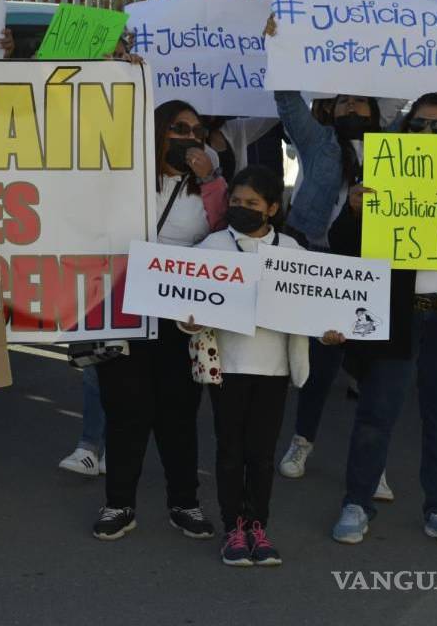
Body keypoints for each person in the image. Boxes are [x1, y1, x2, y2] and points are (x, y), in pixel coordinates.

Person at [327, 92, 437, 549]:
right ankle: (357, 502)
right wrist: (353, 211)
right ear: (406, 130)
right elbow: (342, 243)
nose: (428, 133)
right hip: (396, 315)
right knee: (375, 414)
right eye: (420, 124)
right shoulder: (381, 176)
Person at [189, 165, 337, 566]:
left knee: (261, 453)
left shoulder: (293, 253)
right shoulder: (212, 248)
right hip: (228, 369)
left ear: (272, 207)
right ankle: (233, 527)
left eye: (251, 203)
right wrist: (189, 319)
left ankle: (258, 525)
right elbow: (185, 303)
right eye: (235, 201)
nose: (242, 208)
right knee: (230, 450)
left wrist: (329, 330)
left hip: (273, 370)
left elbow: (318, 304)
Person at [91, 100, 226, 542]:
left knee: (178, 414)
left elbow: (226, 238)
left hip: (178, 316)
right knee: (125, 410)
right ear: (158, 131)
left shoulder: (210, 185)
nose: (189, 137)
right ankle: (119, 504)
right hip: (124, 308)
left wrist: (209, 179)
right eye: (179, 128)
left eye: (197, 130)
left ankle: (184, 503)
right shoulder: (125, 177)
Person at [271, 88, 393, 502]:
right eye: (343, 101)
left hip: (375, 270)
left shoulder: (399, 146)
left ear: (377, 110)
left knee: (373, 371)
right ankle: (302, 440)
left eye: (361, 100)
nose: (352, 106)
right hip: (321, 262)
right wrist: (282, 47)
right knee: (322, 365)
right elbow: (287, 103)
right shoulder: (318, 141)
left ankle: (372, 465)